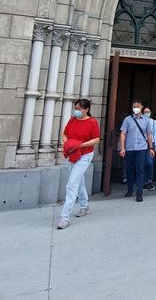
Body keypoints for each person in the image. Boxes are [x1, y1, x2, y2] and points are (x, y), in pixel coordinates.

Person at [57, 98, 100, 229]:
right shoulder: (72, 120)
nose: (76, 110)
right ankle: (84, 206)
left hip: (85, 154)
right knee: (79, 180)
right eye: (76, 108)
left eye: (79, 108)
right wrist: (68, 144)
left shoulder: (92, 122)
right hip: (72, 153)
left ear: (86, 109)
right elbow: (64, 134)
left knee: (71, 184)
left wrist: (80, 145)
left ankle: (65, 217)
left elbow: (96, 139)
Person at [119, 99, 155, 202]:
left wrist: (151, 148)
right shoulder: (127, 120)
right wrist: (122, 147)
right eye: (134, 106)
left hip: (141, 148)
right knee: (129, 169)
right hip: (129, 148)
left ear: (142, 107)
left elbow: (149, 134)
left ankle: (139, 193)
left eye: (138, 106)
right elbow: (123, 133)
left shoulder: (146, 121)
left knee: (140, 170)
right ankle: (130, 189)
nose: (136, 108)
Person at [143, 106, 156, 191]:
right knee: (142, 163)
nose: (146, 113)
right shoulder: (140, 121)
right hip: (142, 144)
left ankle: (150, 180)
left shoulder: (154, 122)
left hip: (151, 144)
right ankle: (144, 182)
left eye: (148, 111)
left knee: (149, 163)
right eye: (145, 112)